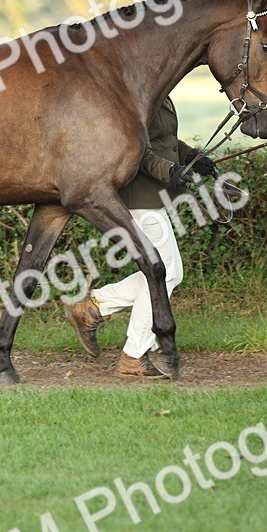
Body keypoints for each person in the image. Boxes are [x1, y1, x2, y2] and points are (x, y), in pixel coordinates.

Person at [63, 96, 216, 378]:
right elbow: (139, 151)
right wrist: (170, 171)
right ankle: (133, 355)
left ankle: (94, 308)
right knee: (163, 274)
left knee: (172, 273)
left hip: (154, 199)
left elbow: (164, 141)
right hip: (138, 198)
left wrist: (192, 158)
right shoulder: (138, 94)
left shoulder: (162, 92)